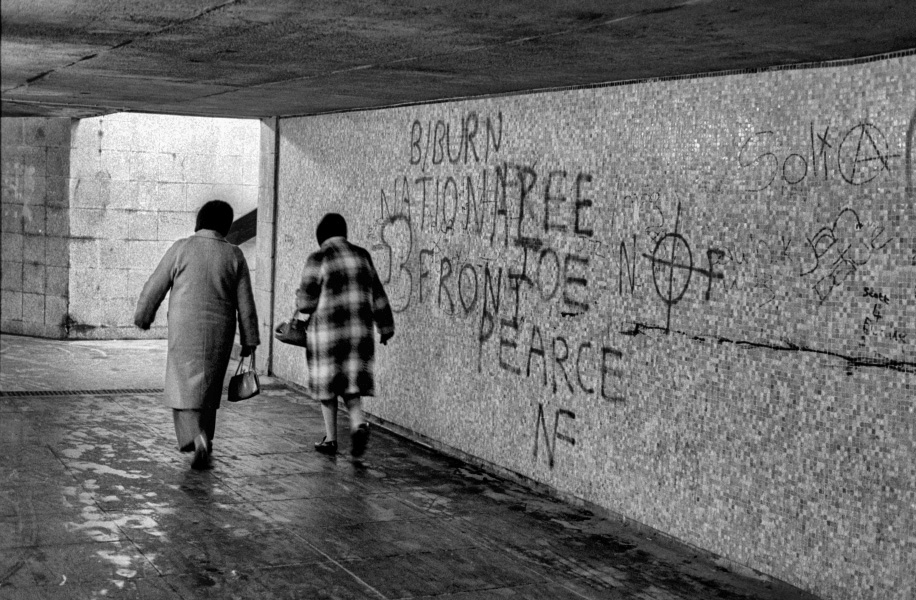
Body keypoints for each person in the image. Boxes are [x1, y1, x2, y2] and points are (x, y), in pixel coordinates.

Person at [133, 200, 259, 469]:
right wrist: (250, 339)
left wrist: (143, 316)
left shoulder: (182, 248)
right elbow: (246, 303)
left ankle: (197, 439)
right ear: (225, 225)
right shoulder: (234, 255)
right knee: (209, 390)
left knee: (183, 385)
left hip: (184, 328)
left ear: (200, 220)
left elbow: (155, 285)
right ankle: (206, 439)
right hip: (220, 331)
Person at [296, 213, 394, 457]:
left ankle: (331, 439)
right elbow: (378, 295)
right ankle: (358, 423)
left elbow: (306, 303)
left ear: (321, 236)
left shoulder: (318, 258)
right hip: (359, 335)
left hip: (327, 336)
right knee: (351, 384)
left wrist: (299, 297)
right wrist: (385, 327)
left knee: (327, 388)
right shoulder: (362, 256)